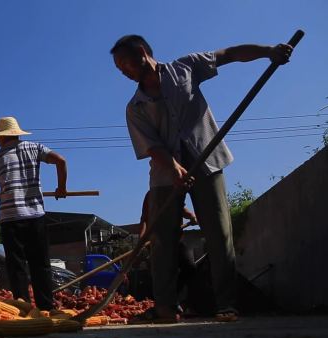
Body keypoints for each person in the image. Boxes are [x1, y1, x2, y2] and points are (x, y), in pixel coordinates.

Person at [111, 35, 293, 322]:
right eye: (118, 67)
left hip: (206, 163)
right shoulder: (135, 107)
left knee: (220, 234)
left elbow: (230, 53)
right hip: (164, 176)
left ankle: (226, 304)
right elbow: (152, 146)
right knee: (163, 241)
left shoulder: (186, 68)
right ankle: (166, 307)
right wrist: (173, 169)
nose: (122, 71)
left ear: (143, 53)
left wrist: (269, 51)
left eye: (124, 63)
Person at [0, 116, 67, 310]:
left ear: (1, 138)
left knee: (17, 266)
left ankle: (23, 307)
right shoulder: (35, 148)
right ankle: (46, 307)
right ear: (17, 133)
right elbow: (61, 161)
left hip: (10, 219)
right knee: (40, 264)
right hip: (36, 215)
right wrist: (62, 188)